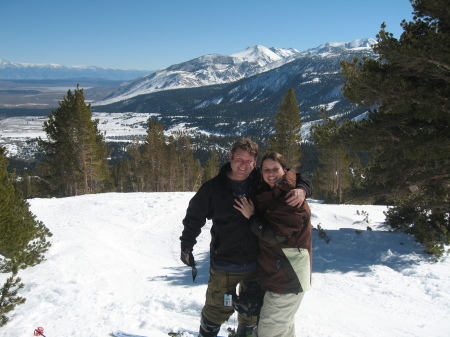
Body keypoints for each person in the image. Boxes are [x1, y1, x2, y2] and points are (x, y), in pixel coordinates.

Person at [180, 139, 312, 337]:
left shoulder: (259, 181)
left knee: (251, 310)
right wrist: (187, 245)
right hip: (225, 263)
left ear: (255, 163)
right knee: (217, 308)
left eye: (249, 161)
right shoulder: (213, 188)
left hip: (256, 263)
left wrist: (303, 189)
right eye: (239, 159)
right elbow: (194, 218)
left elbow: (291, 177)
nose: (243, 165)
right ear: (231, 157)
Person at [234, 152, 312, 337]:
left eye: (275, 169)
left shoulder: (292, 199)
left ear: (283, 170)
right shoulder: (276, 190)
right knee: (282, 329)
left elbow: (275, 236)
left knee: (269, 331)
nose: (270, 173)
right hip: (278, 274)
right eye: (266, 169)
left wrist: (251, 217)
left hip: (287, 277)